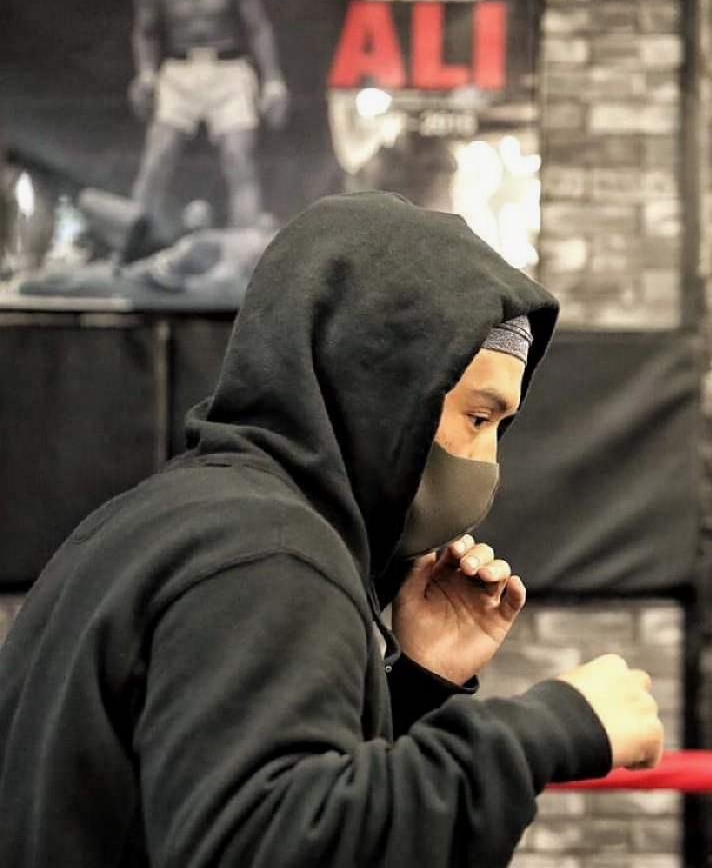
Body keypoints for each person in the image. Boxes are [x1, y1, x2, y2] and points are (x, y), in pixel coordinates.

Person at [0, 192, 663, 867]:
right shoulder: (268, 557)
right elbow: (271, 847)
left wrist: (415, 686)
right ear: (387, 389)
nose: (487, 462)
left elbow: (195, 798)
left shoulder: (170, 520)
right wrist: (548, 729)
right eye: (476, 418)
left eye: (500, 427)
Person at [130, 0, 288, 247]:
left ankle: (245, 245)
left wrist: (272, 80)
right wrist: (146, 74)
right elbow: (145, 33)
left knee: (238, 158)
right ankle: (132, 240)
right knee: (157, 156)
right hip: (179, 71)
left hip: (228, 69)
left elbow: (258, 27)